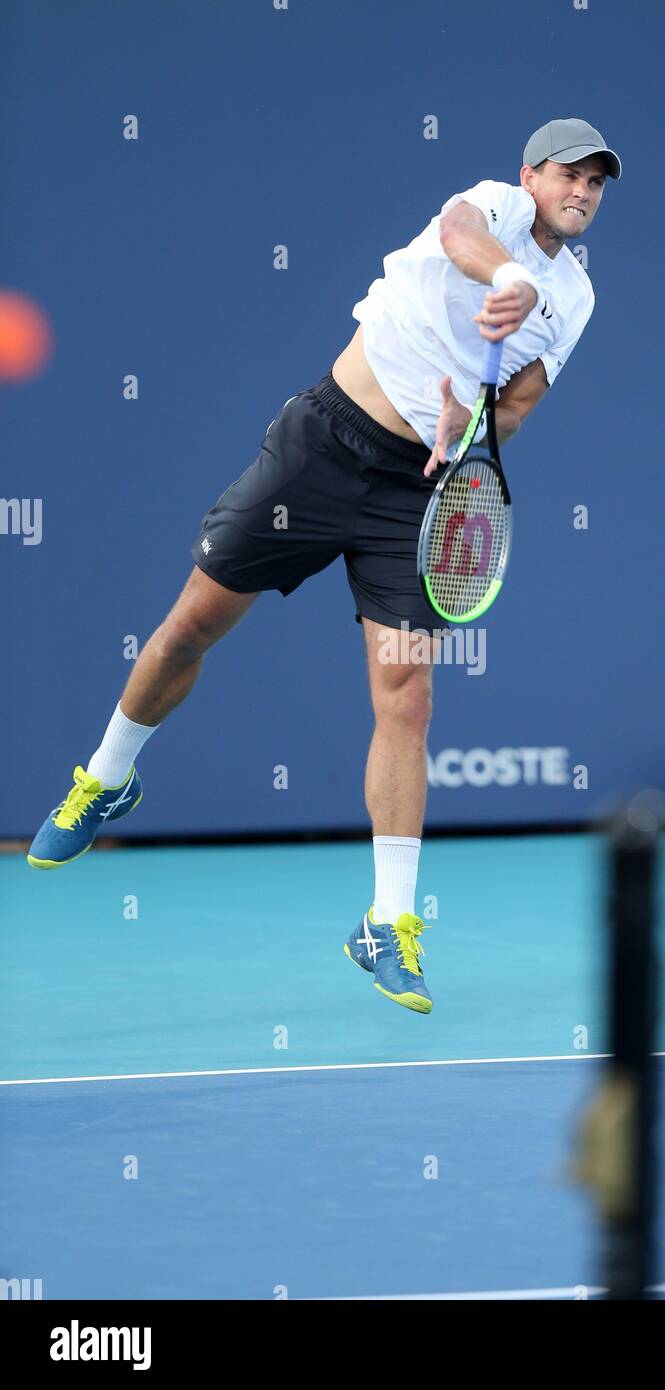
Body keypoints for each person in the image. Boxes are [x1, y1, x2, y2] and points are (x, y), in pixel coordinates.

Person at [27, 117, 620, 1015]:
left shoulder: (572, 297)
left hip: (415, 490)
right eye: (568, 173)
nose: (581, 191)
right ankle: (106, 778)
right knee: (193, 625)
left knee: (407, 695)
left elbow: (522, 401)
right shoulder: (492, 212)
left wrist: (467, 426)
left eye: (597, 181)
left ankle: (387, 922)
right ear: (529, 175)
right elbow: (461, 236)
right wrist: (502, 275)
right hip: (320, 449)